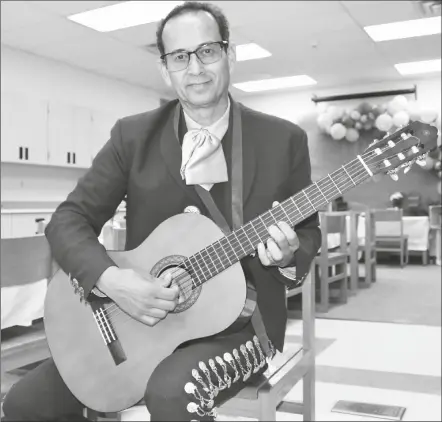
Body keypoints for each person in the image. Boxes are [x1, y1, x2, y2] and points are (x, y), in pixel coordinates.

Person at [2, 2, 321, 421]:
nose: (196, 68)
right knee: (25, 404)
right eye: (180, 56)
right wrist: (111, 279)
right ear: (164, 68)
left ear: (230, 54)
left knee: (172, 393)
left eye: (208, 51)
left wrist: (286, 256)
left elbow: (308, 233)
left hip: (247, 326)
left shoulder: (284, 139)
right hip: (134, 323)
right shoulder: (133, 136)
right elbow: (68, 221)